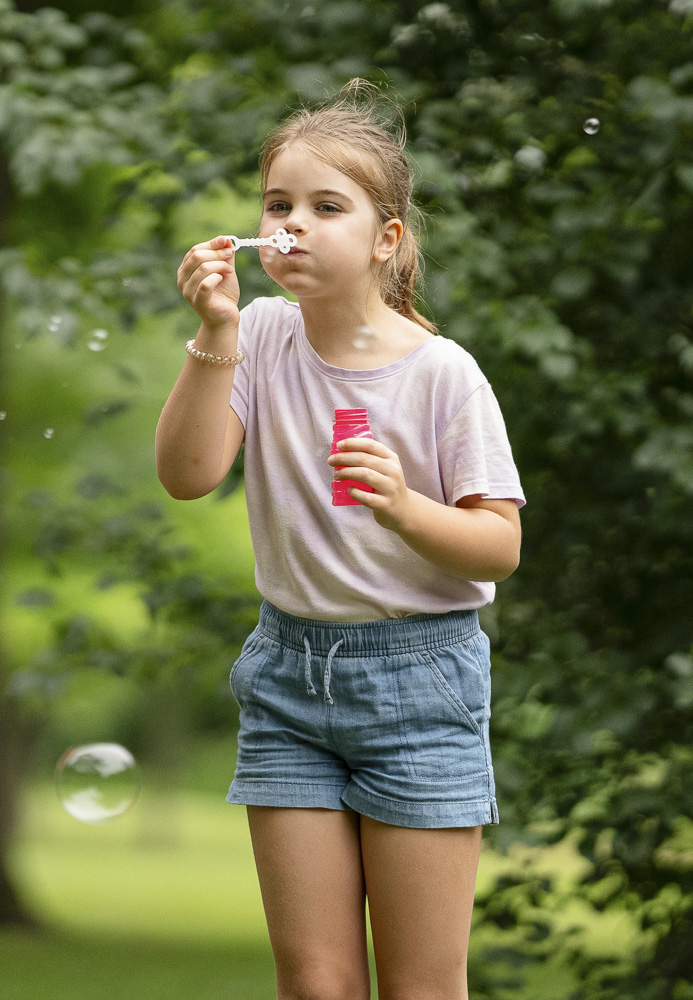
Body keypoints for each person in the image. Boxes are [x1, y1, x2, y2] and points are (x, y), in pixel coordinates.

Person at [156, 80, 525, 1000]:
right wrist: (215, 331)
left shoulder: (443, 375)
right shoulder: (263, 337)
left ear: (385, 237)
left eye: (328, 207)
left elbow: (497, 548)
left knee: (419, 987)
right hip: (288, 675)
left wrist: (404, 507)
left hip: (420, 681)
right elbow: (188, 473)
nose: (293, 225)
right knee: (315, 984)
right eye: (278, 204)